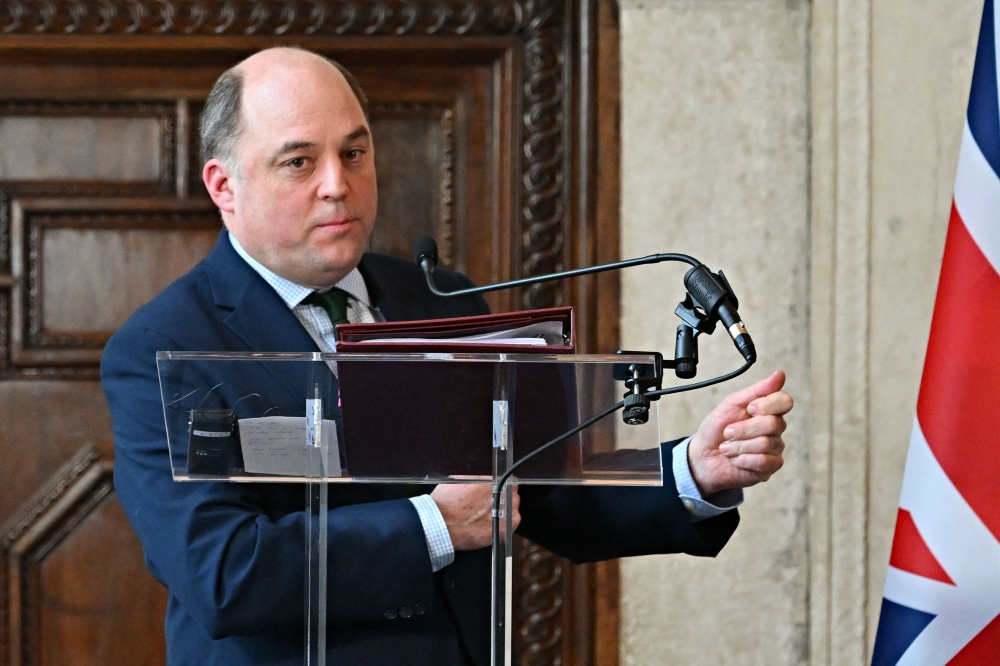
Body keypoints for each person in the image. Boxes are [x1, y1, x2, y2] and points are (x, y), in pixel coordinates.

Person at [101, 47, 793, 666]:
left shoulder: (442, 299)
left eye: (355, 152)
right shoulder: (163, 348)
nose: (337, 183)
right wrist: (430, 526)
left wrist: (689, 472)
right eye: (299, 161)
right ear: (224, 186)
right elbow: (223, 572)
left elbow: (542, 488)